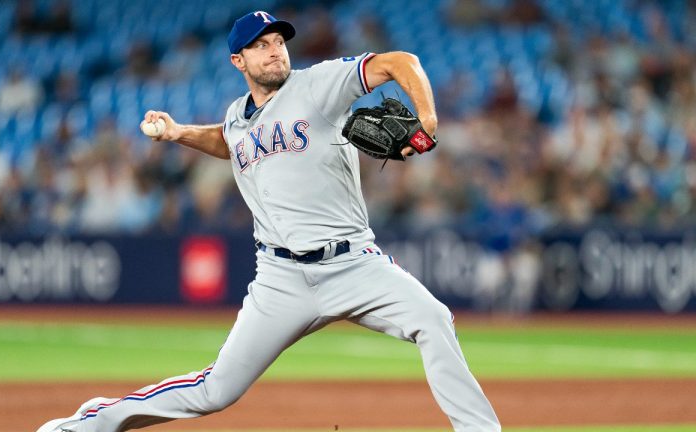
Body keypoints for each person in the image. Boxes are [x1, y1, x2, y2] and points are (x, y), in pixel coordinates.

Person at [38, 11, 501, 432]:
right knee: (215, 391)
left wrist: (428, 118)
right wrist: (179, 132)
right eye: (261, 44)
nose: (275, 49)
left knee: (433, 319)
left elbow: (400, 61)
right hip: (281, 279)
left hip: (354, 264)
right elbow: (229, 140)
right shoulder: (237, 116)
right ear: (239, 60)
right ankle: (88, 423)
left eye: (279, 40)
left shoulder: (319, 84)